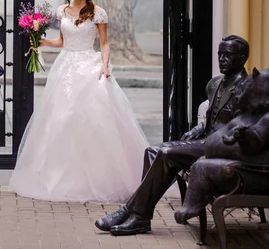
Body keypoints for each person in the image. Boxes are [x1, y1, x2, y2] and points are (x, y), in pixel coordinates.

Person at [8, 0, 149, 203]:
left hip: (88, 66)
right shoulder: (62, 11)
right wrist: (40, 41)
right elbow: (62, 41)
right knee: (59, 119)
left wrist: (105, 65)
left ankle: (100, 176)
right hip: (65, 68)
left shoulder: (98, 13)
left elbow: (104, 44)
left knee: (91, 120)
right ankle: (58, 175)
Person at [95, 35, 250, 235]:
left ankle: (133, 213)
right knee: (152, 151)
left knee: (167, 154)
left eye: (228, 55)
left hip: (222, 148)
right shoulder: (215, 84)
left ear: (242, 57)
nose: (222, 59)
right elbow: (211, 118)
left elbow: (241, 126)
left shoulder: (247, 88)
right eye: (220, 54)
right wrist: (197, 130)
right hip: (204, 140)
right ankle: (138, 215)